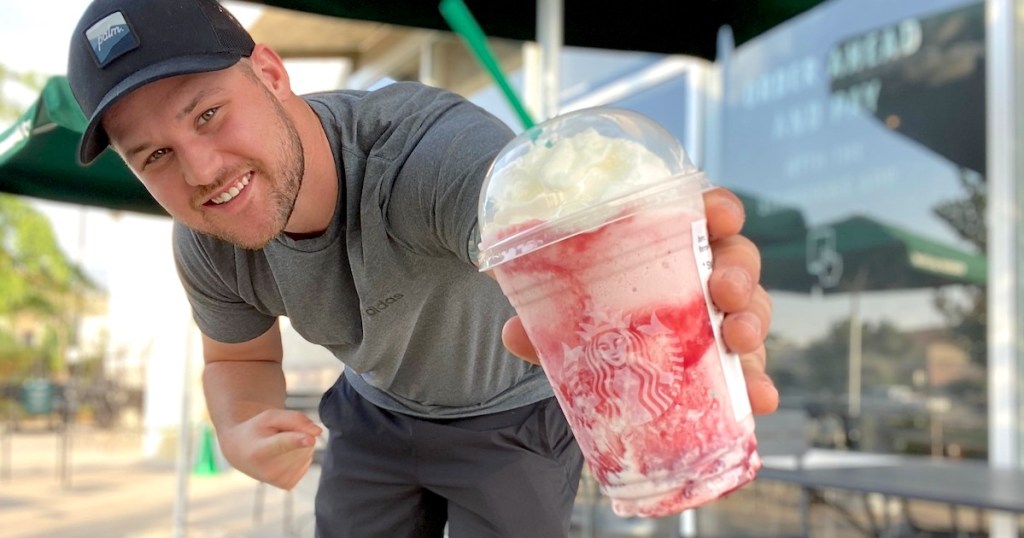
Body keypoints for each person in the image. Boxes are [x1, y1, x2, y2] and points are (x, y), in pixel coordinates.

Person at [68, 1, 777, 536]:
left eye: (208, 114)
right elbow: (235, 359)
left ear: (271, 73)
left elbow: (564, 227)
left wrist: (687, 296)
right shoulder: (205, 238)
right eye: (153, 156)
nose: (200, 170)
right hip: (374, 412)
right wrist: (241, 427)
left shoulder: (423, 156)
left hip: (513, 417)